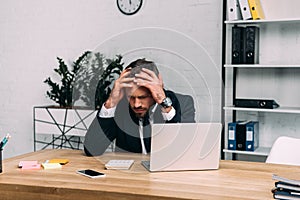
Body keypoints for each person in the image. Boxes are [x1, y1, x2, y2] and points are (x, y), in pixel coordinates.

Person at [84, 58, 195, 156]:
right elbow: (92, 149)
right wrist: (111, 102)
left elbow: (186, 150)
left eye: (143, 97)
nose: (136, 104)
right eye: (131, 97)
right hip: (128, 176)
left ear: (157, 88)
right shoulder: (120, 107)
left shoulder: (183, 103)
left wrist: (164, 103)